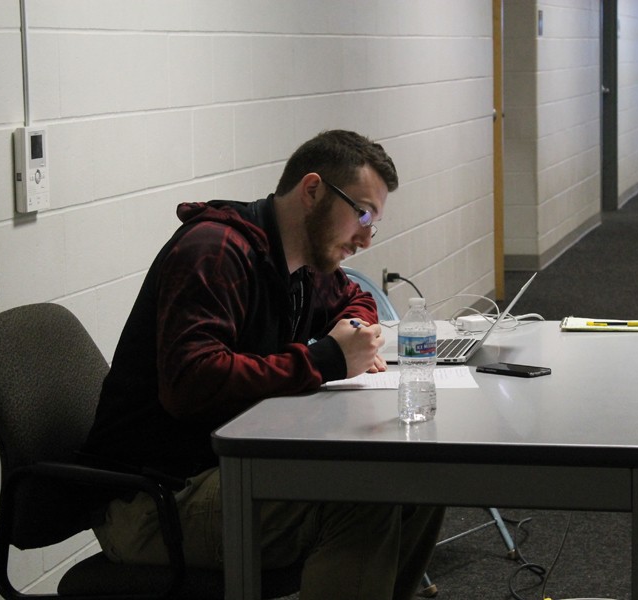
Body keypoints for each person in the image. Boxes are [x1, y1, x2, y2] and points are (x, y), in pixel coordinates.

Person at [80, 130, 446, 599]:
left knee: (420, 483)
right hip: (154, 500)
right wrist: (327, 358)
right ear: (312, 191)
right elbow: (191, 383)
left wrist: (355, 329)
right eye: (362, 213)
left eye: (374, 221)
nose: (366, 237)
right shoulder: (214, 252)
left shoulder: (298, 262)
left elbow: (352, 296)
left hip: (227, 467)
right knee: (362, 497)